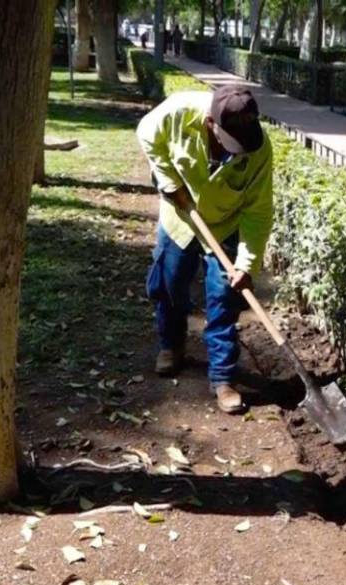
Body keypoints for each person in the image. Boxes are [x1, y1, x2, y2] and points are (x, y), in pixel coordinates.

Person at [136, 86, 274, 414]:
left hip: (226, 223)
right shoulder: (177, 112)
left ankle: (223, 378)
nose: (236, 150)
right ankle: (172, 346)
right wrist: (169, 183)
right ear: (210, 123)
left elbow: (258, 210)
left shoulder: (258, 148)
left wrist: (247, 264)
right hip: (181, 216)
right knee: (169, 285)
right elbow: (146, 134)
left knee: (224, 299)